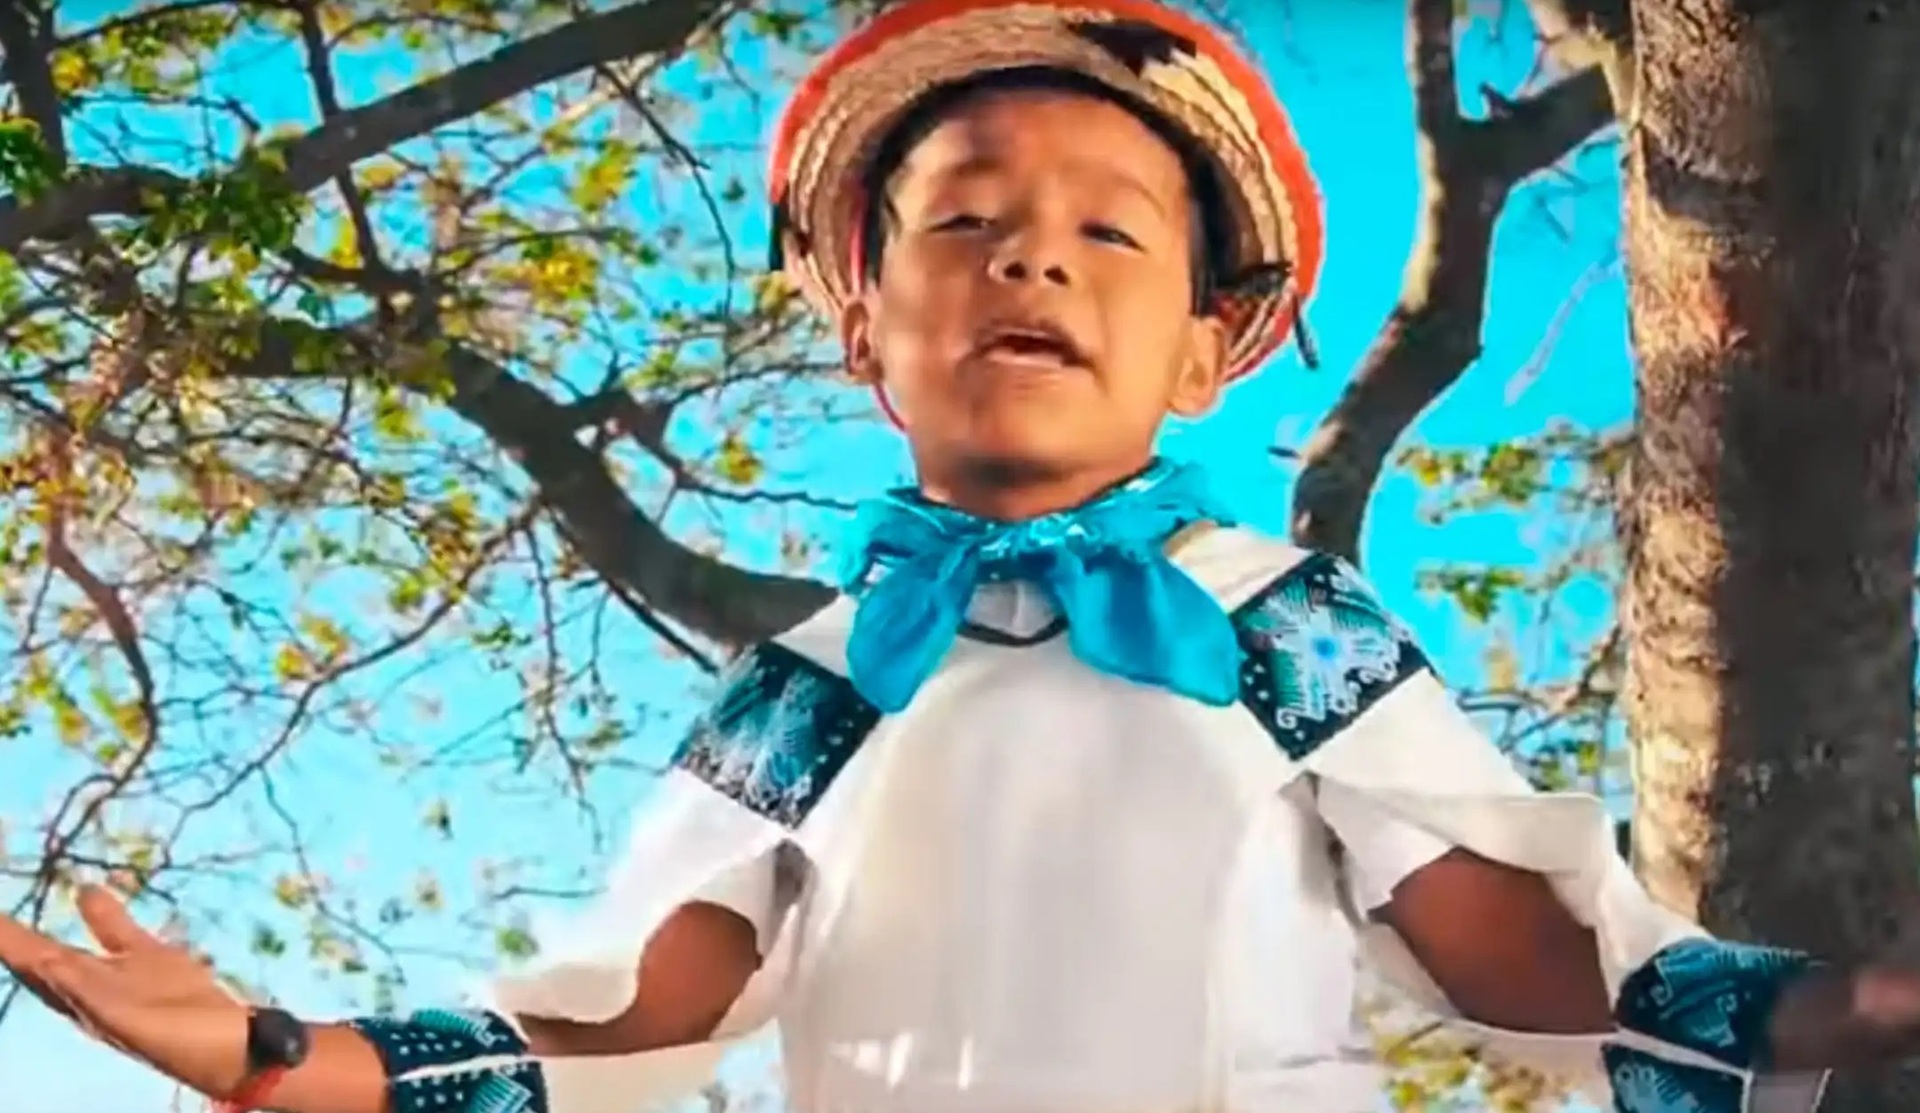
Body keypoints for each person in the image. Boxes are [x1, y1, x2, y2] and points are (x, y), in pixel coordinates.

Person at [3, 2, 1918, 1112]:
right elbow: (640, 996)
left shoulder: (1284, 623)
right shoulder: (812, 682)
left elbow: (1505, 934)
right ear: (865, 330)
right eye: (967, 219)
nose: (1033, 254)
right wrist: (281, 1050)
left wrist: (1832, 1008)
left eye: (1112, 232)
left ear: (1203, 353)